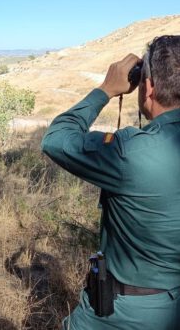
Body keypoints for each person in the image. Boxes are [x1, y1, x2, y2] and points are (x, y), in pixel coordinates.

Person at [41, 35, 180, 329]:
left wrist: (105, 89)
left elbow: (56, 140)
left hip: (128, 313)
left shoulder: (133, 151)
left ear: (149, 87)